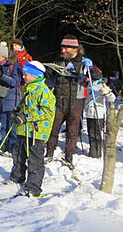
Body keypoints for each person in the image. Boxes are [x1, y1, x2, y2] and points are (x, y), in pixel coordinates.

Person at [45, 35, 101, 168]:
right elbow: (47, 75)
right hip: (58, 98)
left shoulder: (83, 62)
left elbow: (97, 76)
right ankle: (49, 152)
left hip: (76, 100)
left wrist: (91, 68)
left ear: (74, 48)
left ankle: (69, 156)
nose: (63, 50)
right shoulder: (59, 61)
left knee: (73, 130)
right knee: (53, 127)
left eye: (66, 48)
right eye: (62, 48)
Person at [9, 60, 56, 197]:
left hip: (37, 132)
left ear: (35, 75)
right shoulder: (28, 88)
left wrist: (26, 117)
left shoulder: (44, 91)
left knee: (35, 160)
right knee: (18, 154)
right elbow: (26, 105)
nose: (23, 77)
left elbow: (48, 112)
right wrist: (18, 111)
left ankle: (33, 186)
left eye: (26, 75)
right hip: (23, 129)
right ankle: (17, 177)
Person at [0, 42, 22, 155]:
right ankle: (4, 144)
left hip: (12, 100)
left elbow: (15, 82)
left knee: (12, 126)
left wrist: (2, 76)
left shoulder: (14, 66)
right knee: (3, 125)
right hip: (2, 100)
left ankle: (12, 147)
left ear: (5, 57)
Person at [84, 74, 115, 158]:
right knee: (91, 134)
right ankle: (92, 152)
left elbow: (112, 98)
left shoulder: (101, 85)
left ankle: (97, 153)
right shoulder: (89, 85)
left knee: (97, 134)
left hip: (99, 113)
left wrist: (107, 93)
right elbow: (86, 98)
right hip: (89, 113)